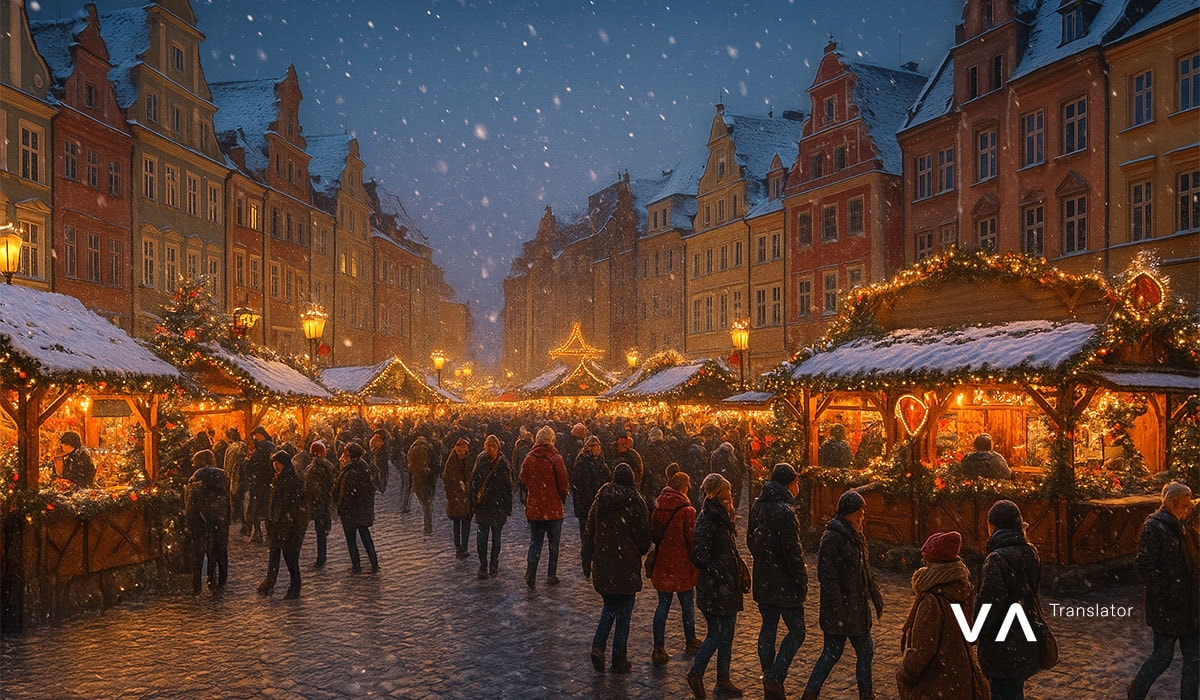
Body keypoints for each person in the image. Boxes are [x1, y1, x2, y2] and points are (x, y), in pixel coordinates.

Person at [802, 489, 884, 700]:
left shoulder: (858, 537)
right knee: (831, 654)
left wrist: (875, 596)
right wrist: (838, 607)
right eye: (858, 512)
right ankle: (810, 693)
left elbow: (865, 571)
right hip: (841, 611)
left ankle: (866, 694)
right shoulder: (832, 538)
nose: (862, 516)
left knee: (865, 652)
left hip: (857, 610)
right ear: (847, 513)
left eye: (863, 512)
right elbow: (827, 578)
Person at [896, 531, 989, 700]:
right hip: (961, 676)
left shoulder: (932, 600)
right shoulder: (962, 588)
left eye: (925, 560)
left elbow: (922, 650)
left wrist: (905, 673)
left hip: (937, 682)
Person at [1128, 481, 1199, 700]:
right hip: (1167, 607)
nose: (1188, 509)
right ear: (1170, 503)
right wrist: (1169, 586)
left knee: (1194, 660)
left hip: (1191, 606)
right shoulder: (1155, 528)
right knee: (1162, 657)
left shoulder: (1185, 527)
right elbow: (1144, 567)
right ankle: (1137, 691)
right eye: (1185, 505)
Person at [748, 464, 808, 700]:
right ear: (788, 484)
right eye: (796, 482)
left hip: (764, 577)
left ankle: (768, 676)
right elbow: (793, 552)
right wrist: (800, 579)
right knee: (797, 630)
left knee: (768, 627)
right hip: (784, 581)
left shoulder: (758, 505)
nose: (798, 487)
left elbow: (751, 541)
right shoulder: (786, 511)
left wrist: (765, 560)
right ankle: (775, 674)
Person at [584, 463, 652, 673]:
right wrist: (637, 549)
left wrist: (587, 559)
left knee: (610, 606)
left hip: (604, 561)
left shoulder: (602, 497)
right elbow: (643, 538)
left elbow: (589, 530)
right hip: (626, 564)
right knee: (624, 613)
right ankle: (618, 658)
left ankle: (598, 645)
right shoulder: (636, 501)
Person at [687, 473, 746, 699]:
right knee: (718, 634)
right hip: (717, 586)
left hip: (725, 585)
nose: (731, 494)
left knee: (726, 634)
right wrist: (720, 570)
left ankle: (723, 678)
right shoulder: (710, 518)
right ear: (717, 493)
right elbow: (699, 554)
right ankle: (697, 672)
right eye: (727, 491)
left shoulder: (720, 515)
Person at [976, 500, 1042, 700]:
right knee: (1014, 690)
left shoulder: (996, 559)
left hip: (1001, 643)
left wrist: (978, 633)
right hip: (1023, 637)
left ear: (992, 525)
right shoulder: (1031, 552)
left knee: (1000, 691)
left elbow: (989, 605)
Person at [650, 470, 700, 666]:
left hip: (664, 562)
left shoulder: (659, 506)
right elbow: (692, 540)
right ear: (682, 487)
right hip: (682, 564)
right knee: (687, 604)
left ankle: (659, 646)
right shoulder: (687, 511)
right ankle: (690, 639)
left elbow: (653, 532)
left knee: (663, 605)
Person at [520, 425, 569, 587]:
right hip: (553, 509)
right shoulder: (556, 458)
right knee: (553, 545)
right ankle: (551, 574)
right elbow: (563, 485)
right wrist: (560, 499)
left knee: (535, 543)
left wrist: (534, 491)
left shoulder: (529, 458)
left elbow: (523, 478)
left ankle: (531, 573)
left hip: (535, 509)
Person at [257, 450, 307, 599]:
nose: (275, 466)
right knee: (276, 553)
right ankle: (272, 583)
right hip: (278, 523)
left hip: (287, 525)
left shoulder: (291, 480)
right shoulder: (279, 478)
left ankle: (295, 588)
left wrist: (284, 517)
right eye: (274, 463)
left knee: (290, 558)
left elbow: (291, 504)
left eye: (278, 463)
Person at [184, 449, 230, 594]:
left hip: (201, 520)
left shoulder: (195, 479)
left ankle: (197, 585)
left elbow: (191, 505)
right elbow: (227, 500)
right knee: (219, 551)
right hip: (219, 519)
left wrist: (191, 521)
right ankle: (216, 581)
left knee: (198, 554)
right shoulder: (222, 476)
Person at [471, 434, 513, 578]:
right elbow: (474, 484)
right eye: (487, 446)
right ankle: (483, 565)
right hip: (484, 506)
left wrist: (507, 508)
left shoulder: (503, 464)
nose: (490, 449)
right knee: (482, 538)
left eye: (492, 446)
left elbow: (508, 488)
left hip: (497, 507)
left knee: (495, 537)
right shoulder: (481, 461)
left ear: (498, 448)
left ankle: (493, 564)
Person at [571, 435, 612, 576]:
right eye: (596, 446)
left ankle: (594, 564)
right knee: (588, 537)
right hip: (587, 506)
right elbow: (579, 487)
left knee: (595, 536)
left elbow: (607, 480)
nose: (599, 449)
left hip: (595, 505)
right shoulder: (583, 463)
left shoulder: (599, 462)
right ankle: (587, 565)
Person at [336, 442, 379, 573]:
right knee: (365, 535)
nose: (343, 455)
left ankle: (357, 565)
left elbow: (347, 493)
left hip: (352, 511)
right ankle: (374, 562)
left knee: (352, 539)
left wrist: (343, 507)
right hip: (361, 509)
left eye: (346, 452)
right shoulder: (363, 467)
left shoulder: (351, 471)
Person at [303, 440, 337, 568]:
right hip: (324, 501)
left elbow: (308, 487)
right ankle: (321, 556)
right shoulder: (328, 466)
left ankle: (321, 558)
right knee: (322, 530)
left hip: (317, 502)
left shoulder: (311, 468)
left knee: (320, 531)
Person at [443, 436, 475, 559]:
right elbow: (448, 480)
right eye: (459, 451)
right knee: (457, 524)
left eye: (463, 451)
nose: (461, 453)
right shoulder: (451, 463)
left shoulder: (468, 459)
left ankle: (464, 547)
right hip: (456, 498)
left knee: (465, 524)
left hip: (465, 498)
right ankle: (459, 548)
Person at [244, 427, 275, 542]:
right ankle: (267, 534)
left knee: (257, 510)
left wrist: (247, 463)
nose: (255, 437)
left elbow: (253, 466)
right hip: (264, 483)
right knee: (267, 510)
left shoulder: (261, 448)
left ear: (261, 435)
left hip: (259, 483)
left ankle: (259, 533)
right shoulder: (269, 447)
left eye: (256, 435)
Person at [407, 434, 436, 535]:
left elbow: (409, 465)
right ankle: (428, 526)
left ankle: (427, 525)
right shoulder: (428, 448)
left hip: (417, 479)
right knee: (427, 503)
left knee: (424, 503)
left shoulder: (412, 449)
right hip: (426, 479)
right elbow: (434, 463)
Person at [223, 427, 247, 528]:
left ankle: (235, 516)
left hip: (233, 475)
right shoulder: (242, 446)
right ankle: (241, 519)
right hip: (240, 475)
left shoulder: (230, 447)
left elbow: (226, 463)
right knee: (240, 498)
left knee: (234, 497)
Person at [641, 427, 673, 505]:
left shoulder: (652, 449)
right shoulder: (665, 447)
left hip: (655, 480)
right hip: (663, 478)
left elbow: (653, 465)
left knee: (655, 502)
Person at [368, 428, 391, 495]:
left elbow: (382, 473)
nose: (373, 442)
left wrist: (380, 488)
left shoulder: (381, 455)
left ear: (383, 442)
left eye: (377, 440)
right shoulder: (377, 453)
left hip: (381, 492)